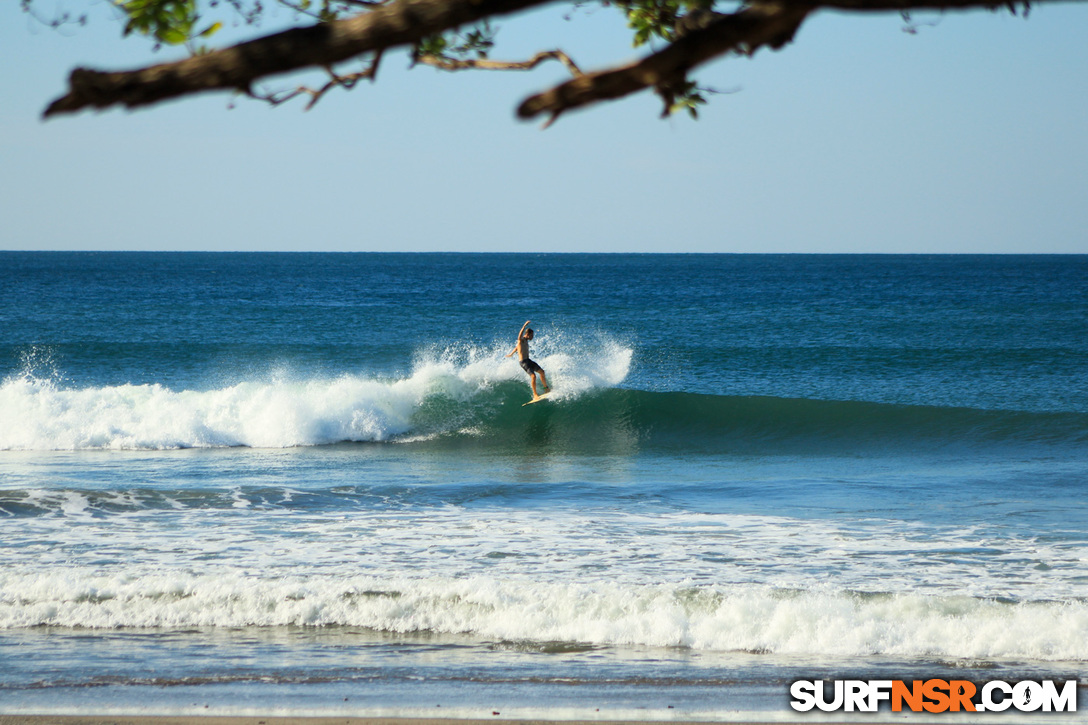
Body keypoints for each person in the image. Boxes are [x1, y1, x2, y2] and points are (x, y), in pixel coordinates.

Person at [506, 319, 550, 399]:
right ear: (528, 334)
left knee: (542, 372)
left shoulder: (525, 341)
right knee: (533, 376)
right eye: (532, 335)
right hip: (523, 362)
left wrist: (511, 354)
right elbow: (519, 337)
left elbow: (517, 348)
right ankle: (535, 394)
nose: (532, 337)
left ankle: (546, 389)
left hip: (528, 360)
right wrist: (524, 326)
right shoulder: (521, 339)